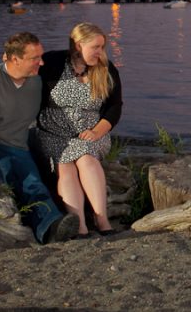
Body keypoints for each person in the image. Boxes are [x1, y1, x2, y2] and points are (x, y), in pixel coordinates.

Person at [0, 32, 79, 244]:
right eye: (34, 58)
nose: (41, 61)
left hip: (14, 147)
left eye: (41, 55)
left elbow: (69, 60)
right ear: (14, 59)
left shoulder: (37, 81)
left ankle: (52, 228)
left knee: (33, 185)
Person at [33, 22, 123, 237]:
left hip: (93, 133)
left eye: (102, 47)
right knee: (65, 166)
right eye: (95, 47)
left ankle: (102, 220)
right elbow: (25, 72)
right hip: (54, 134)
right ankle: (79, 225)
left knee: (86, 159)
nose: (100, 52)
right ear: (78, 45)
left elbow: (115, 107)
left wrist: (97, 131)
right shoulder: (53, 63)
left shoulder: (106, 69)